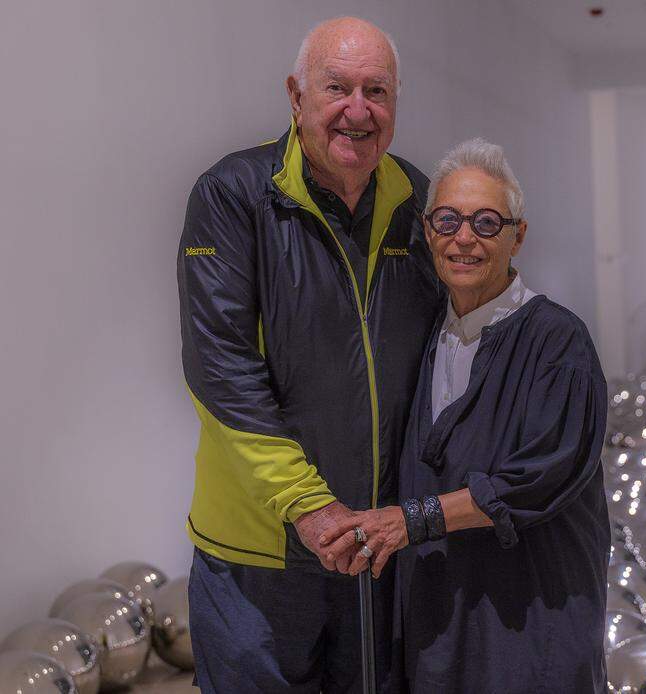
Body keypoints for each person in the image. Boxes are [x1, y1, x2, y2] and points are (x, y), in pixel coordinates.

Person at [177, 17, 442, 693]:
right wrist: (308, 505)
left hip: (372, 545)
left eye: (377, 92)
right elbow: (220, 369)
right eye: (338, 88)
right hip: (261, 556)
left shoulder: (415, 202)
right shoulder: (234, 195)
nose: (359, 110)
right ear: (296, 97)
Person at [320, 138, 610, 692]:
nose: (464, 239)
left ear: (517, 236)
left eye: (486, 223)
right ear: (428, 231)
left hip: (530, 616)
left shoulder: (557, 341)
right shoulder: (427, 334)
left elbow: (537, 478)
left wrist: (411, 520)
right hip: (443, 614)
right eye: (448, 220)